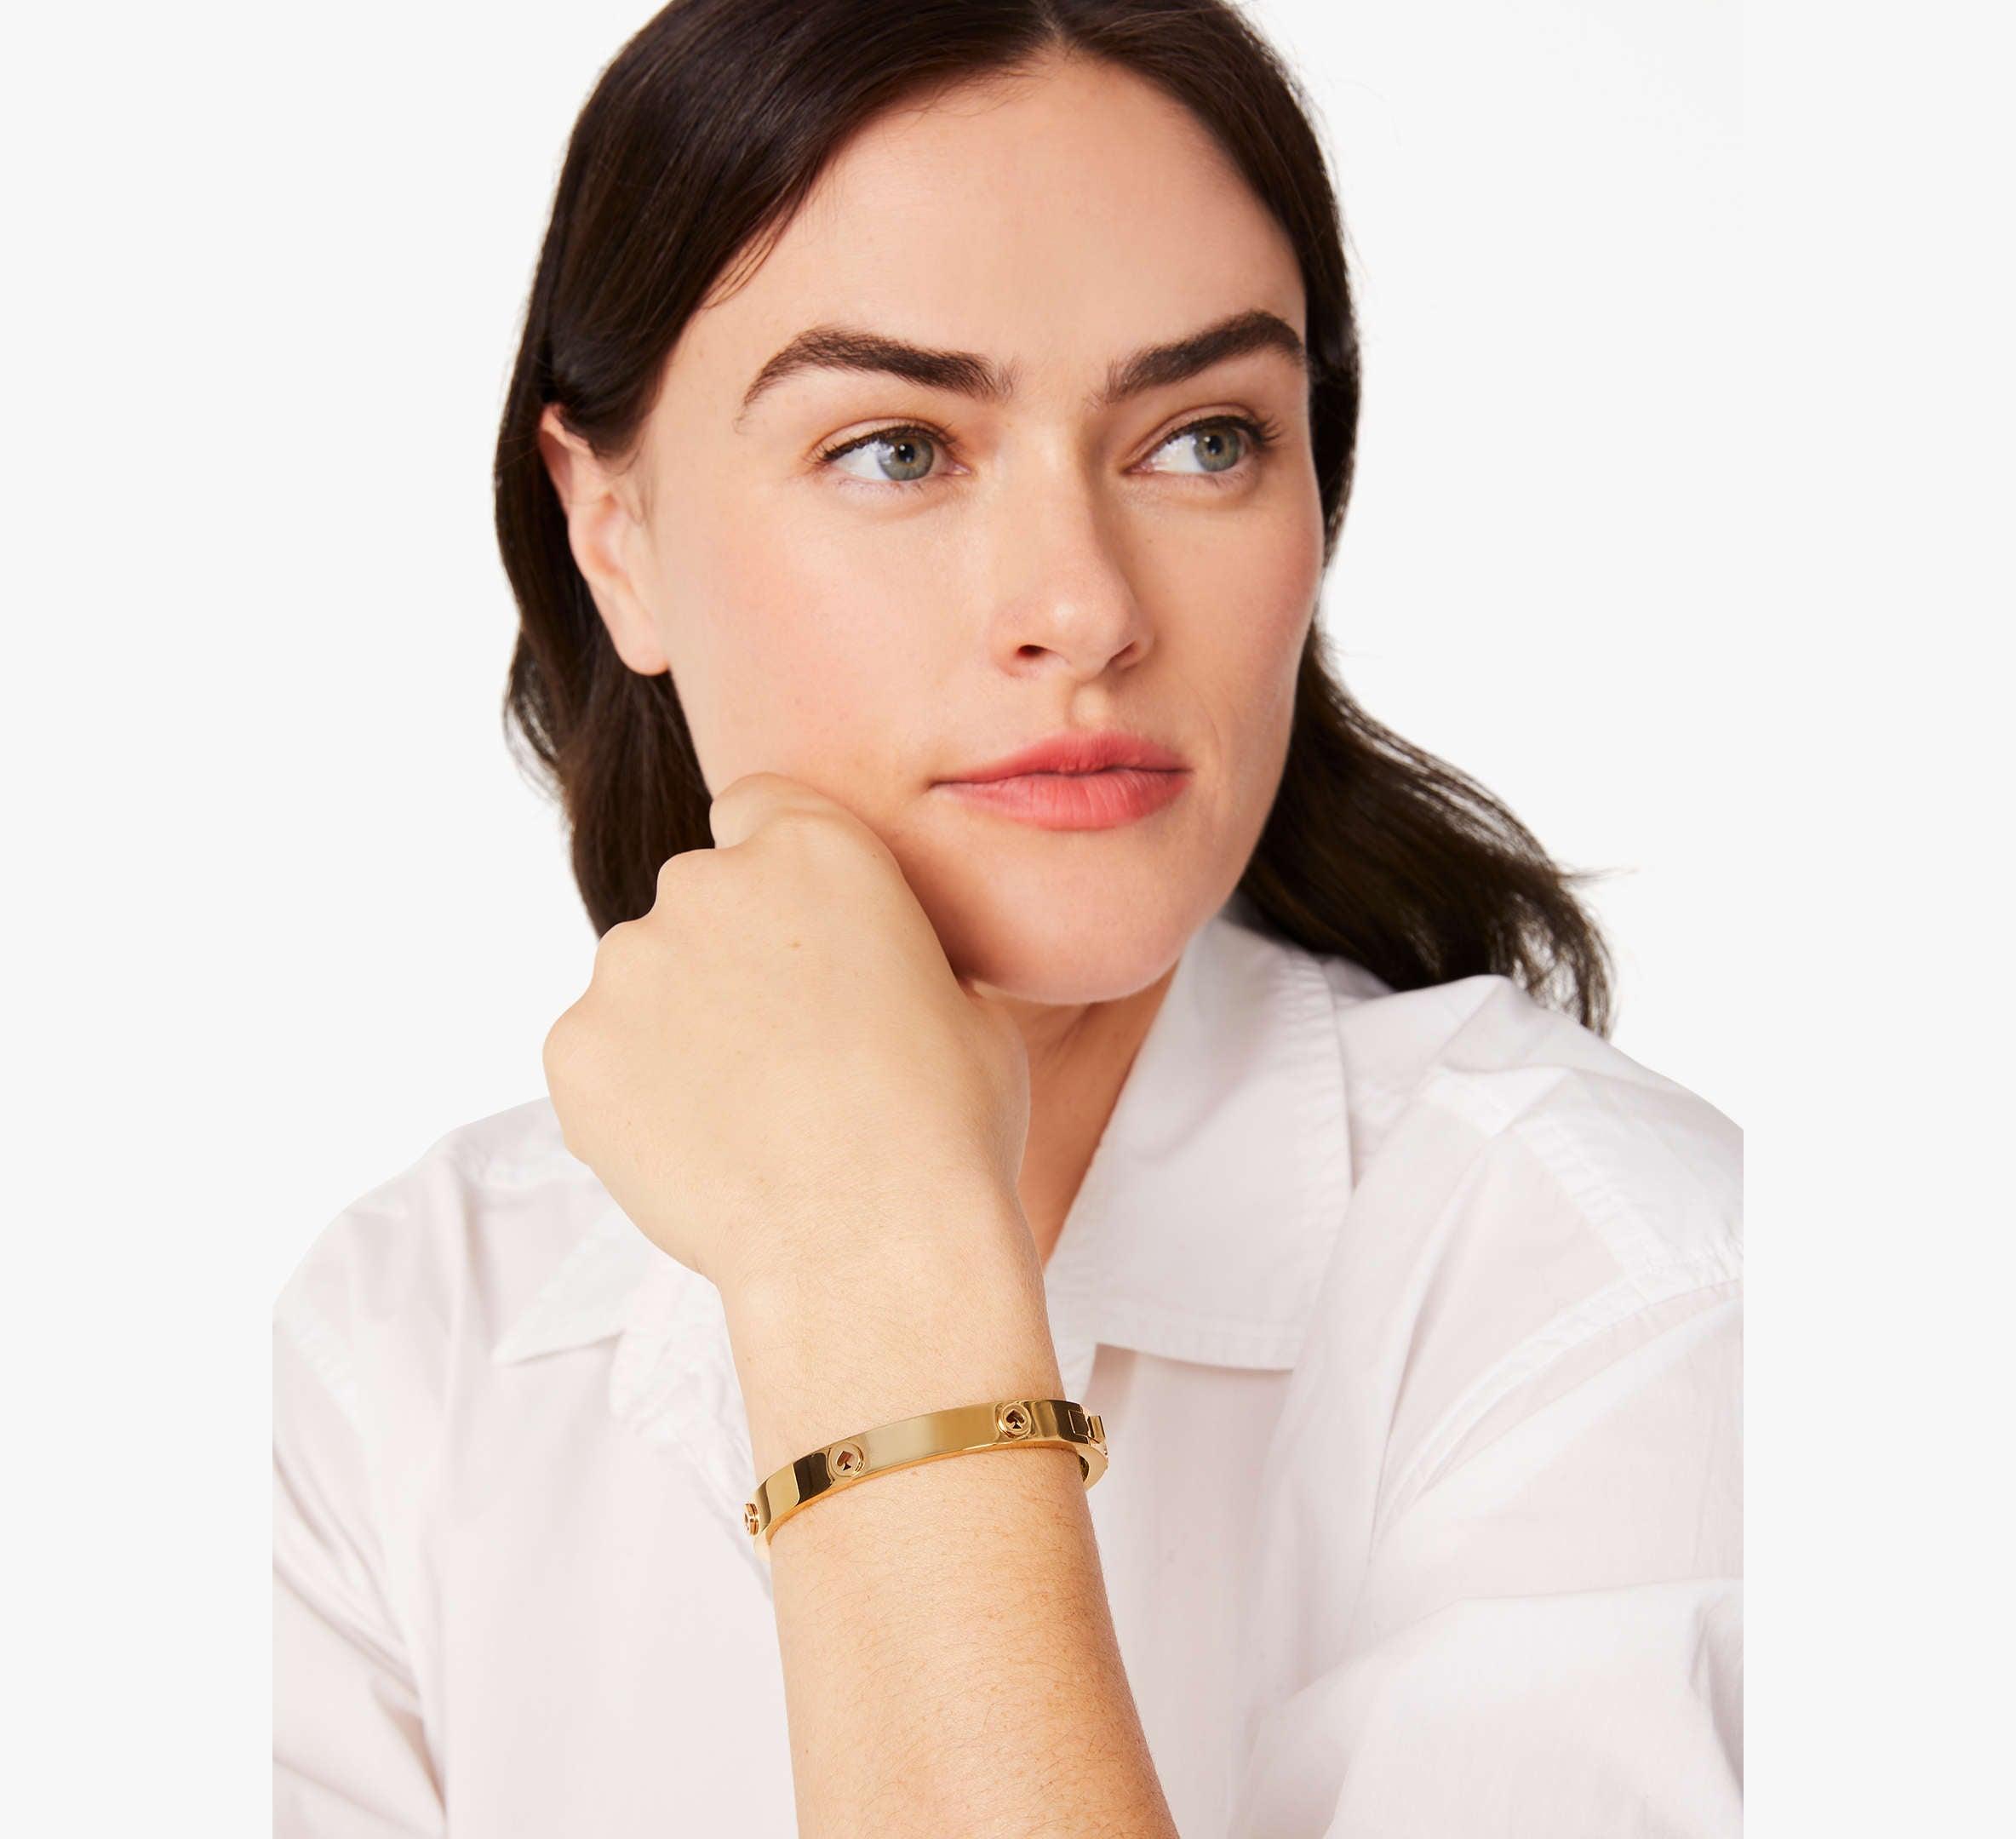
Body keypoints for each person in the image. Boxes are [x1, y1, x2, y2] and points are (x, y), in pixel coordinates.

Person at [272, 2, 1742, 1833]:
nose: (1084, 607)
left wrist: (874, 1286)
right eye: (898, 448)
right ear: (613, 530)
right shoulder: (397, 1345)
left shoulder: (1634, 1296)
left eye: (1203, 439)